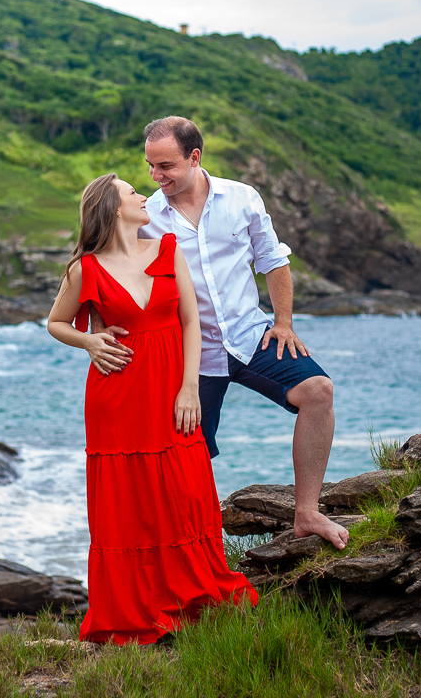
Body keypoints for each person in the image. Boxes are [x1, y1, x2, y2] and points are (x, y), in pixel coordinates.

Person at [88, 116, 349, 550]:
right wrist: (97, 329)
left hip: (251, 336)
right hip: (189, 355)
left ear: (194, 157)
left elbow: (273, 260)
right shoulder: (147, 215)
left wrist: (283, 322)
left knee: (318, 392)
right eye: (150, 166)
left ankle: (307, 513)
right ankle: (197, 548)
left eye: (165, 166)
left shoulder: (242, 198)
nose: (155, 176)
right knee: (189, 456)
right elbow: (104, 260)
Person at [46, 173, 258, 645]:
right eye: (131, 192)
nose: (143, 195)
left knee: (185, 487)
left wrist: (189, 389)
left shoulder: (166, 248)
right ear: (112, 208)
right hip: (116, 398)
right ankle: (132, 608)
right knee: (129, 502)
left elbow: (190, 321)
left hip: (172, 389)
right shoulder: (85, 269)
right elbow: (55, 323)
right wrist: (88, 341)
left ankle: (193, 595)